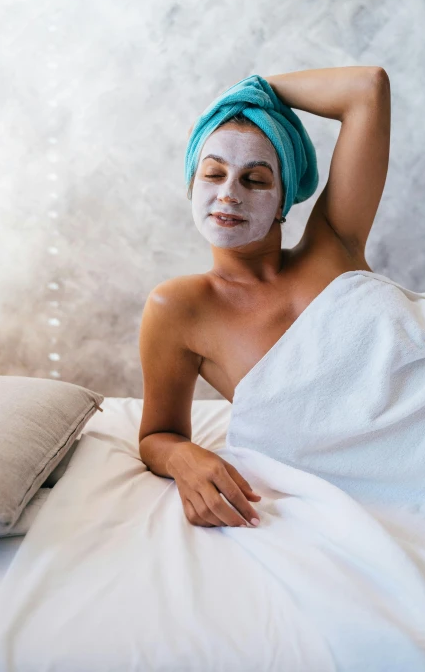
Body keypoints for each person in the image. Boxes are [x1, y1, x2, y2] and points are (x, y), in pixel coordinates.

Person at [139, 66, 391, 530]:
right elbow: (159, 434)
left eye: (254, 179)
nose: (229, 194)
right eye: (213, 174)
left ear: (282, 199)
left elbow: (368, 88)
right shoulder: (179, 308)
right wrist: (183, 458)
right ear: (192, 187)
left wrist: (252, 92)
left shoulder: (333, 242)